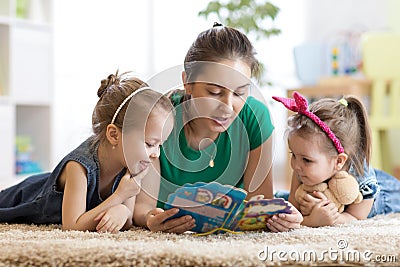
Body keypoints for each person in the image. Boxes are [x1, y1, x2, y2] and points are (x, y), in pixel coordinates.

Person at [133, 23, 303, 233]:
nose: (228, 107)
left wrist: (278, 215)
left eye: (240, 92)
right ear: (188, 82)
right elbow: (142, 208)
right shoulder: (159, 119)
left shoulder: (255, 116)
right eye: (214, 92)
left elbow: (260, 201)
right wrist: (151, 219)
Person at [0, 71, 174, 233]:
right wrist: (119, 196)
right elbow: (72, 225)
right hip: (22, 198)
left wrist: (122, 211)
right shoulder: (79, 166)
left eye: (160, 145)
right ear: (114, 135)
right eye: (150, 143)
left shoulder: (132, 162)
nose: (156, 154)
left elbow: (126, 220)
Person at [273, 91, 400, 227]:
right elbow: (294, 207)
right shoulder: (301, 168)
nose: (296, 165)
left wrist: (323, 219)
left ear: (339, 161)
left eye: (306, 160)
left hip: (390, 194)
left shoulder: (363, 178)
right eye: (293, 155)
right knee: (279, 199)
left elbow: (355, 217)